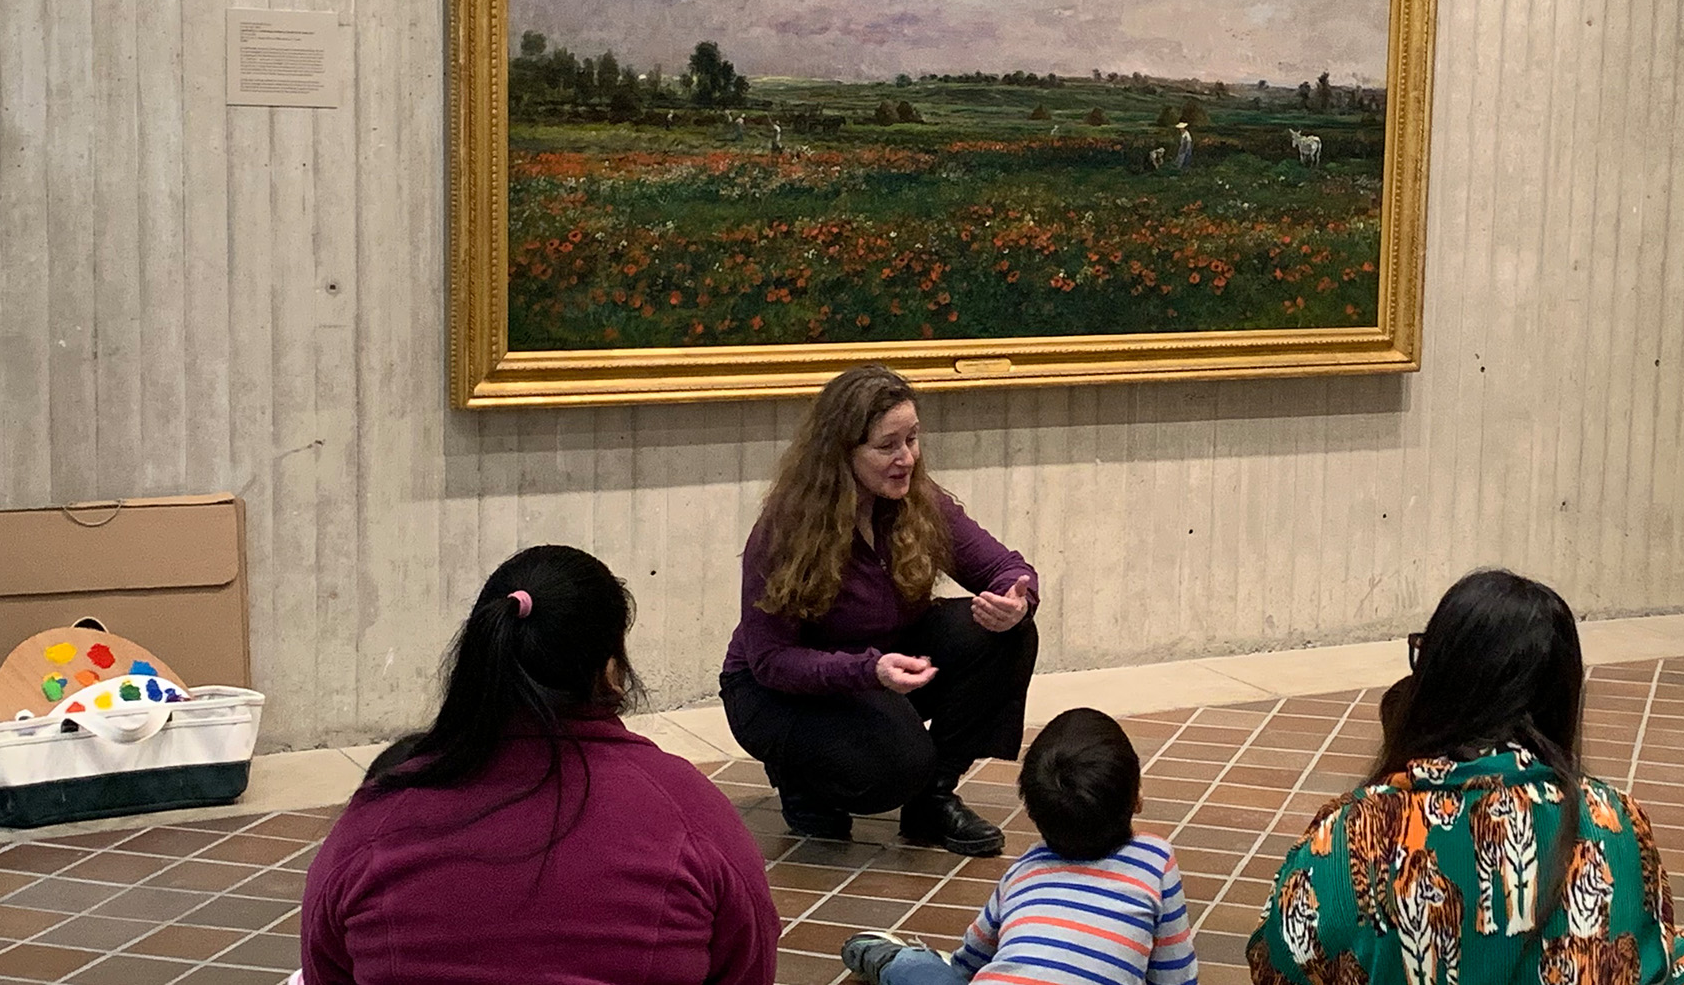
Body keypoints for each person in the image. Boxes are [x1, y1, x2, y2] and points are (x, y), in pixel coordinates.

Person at [300, 546, 779, 985]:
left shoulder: (375, 821)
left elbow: (323, 965)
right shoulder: (689, 811)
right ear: (611, 669)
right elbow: (750, 965)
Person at [1249, 570, 1684, 985]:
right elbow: (1652, 954)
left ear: (1435, 681)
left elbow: (1277, 961)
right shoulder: (1616, 821)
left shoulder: (1354, 832)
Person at [720, 363, 1040, 856]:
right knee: (898, 765)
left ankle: (933, 799)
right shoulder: (785, 531)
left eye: (912, 439)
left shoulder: (919, 502)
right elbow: (771, 661)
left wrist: (1016, 601)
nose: (906, 458)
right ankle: (801, 777)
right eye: (887, 446)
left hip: (877, 666)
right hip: (775, 693)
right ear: (841, 453)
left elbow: (1006, 568)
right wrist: (868, 670)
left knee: (1007, 633)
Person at [840, 707, 1197, 985]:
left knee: (934, 975)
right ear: (1137, 798)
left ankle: (894, 960)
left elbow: (970, 960)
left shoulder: (1026, 869)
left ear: (1032, 813)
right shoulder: (1155, 859)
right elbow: (1175, 975)